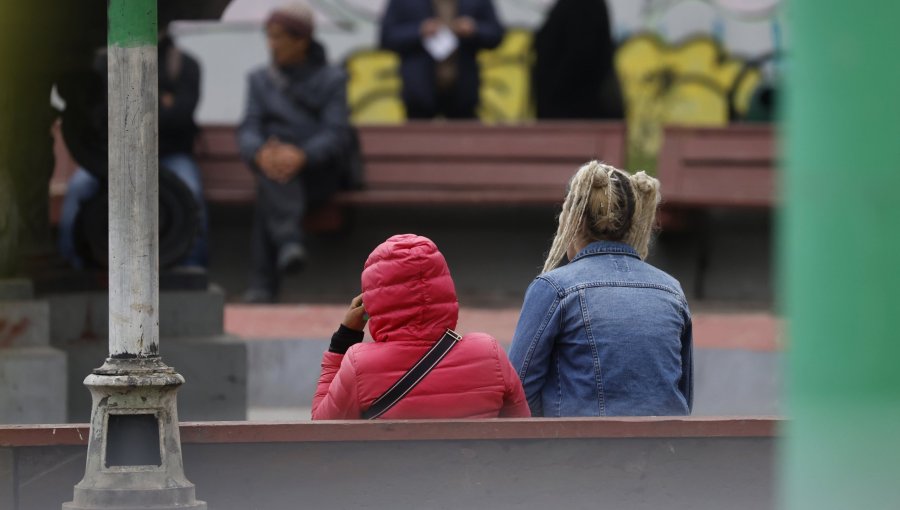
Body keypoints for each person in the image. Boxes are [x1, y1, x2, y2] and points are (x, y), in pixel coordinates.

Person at [508, 162, 693, 417]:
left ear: (572, 220)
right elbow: (682, 393)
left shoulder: (554, 288)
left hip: (580, 452)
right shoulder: (671, 290)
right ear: (632, 222)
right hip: (665, 451)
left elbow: (517, 394)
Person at [312, 234, 530, 419]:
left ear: (373, 301)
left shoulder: (360, 365)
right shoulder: (488, 353)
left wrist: (343, 340)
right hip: (475, 468)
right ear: (444, 289)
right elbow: (521, 426)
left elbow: (321, 429)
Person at [58, 29, 207, 269]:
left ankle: (190, 265)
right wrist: (160, 100)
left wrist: (131, 104)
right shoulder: (104, 61)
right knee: (78, 188)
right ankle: (72, 263)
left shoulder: (184, 64)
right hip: (113, 157)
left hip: (168, 156)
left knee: (190, 189)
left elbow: (180, 116)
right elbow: (100, 114)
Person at [237, 2, 352, 303]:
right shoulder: (259, 80)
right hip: (276, 171)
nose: (271, 44)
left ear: (301, 40)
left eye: (278, 37)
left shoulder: (332, 79)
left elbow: (336, 134)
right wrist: (259, 153)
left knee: (273, 180)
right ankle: (286, 244)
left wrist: (300, 155)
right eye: (269, 36)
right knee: (274, 174)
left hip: (319, 175)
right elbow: (248, 128)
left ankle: (263, 284)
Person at [380, 0, 504, 119]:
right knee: (418, 138)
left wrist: (474, 29)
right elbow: (387, 37)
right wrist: (419, 30)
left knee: (464, 137)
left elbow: (496, 34)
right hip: (418, 92)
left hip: (464, 91)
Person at [533, 0, 623, 119]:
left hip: (576, 117)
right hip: (581, 116)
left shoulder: (582, 6)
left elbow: (580, 57)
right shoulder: (582, 6)